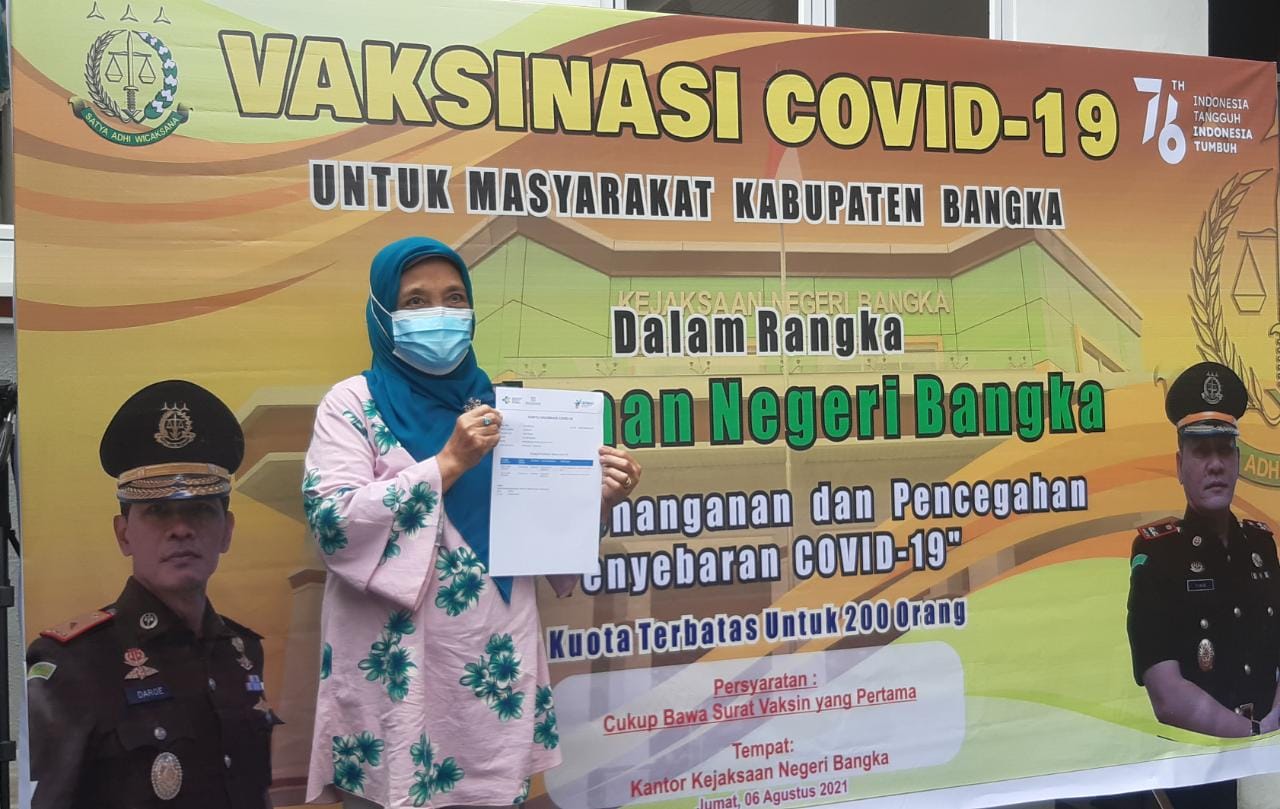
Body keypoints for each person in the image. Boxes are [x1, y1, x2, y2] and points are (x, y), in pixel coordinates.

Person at [302, 237, 640, 808]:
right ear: (382, 314)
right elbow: (332, 523)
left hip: (492, 666)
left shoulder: (505, 409)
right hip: (398, 672)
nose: (440, 313)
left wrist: (598, 502)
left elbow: (538, 541)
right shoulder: (353, 403)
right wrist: (447, 464)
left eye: (455, 298)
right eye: (415, 301)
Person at [26, 379, 278, 808]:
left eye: (200, 510)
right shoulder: (72, 662)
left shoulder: (243, 651)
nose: (181, 529)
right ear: (123, 534)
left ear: (227, 531)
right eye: (158, 511)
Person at [1125, 361, 1280, 807]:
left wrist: (1272, 729)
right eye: (1200, 451)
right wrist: (1253, 736)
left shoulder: (1262, 545)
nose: (1215, 465)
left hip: (1270, 766)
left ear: (1238, 461)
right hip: (1201, 778)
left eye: (1225, 450)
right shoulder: (1158, 553)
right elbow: (1167, 694)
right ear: (1180, 465)